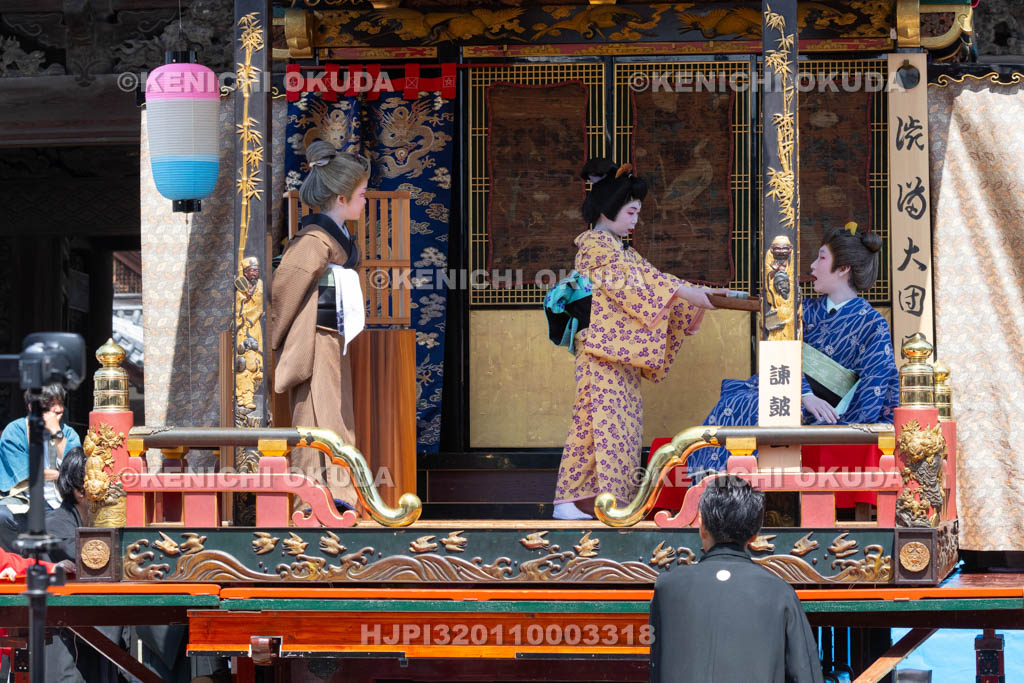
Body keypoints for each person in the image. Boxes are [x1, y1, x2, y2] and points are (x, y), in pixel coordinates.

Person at [552, 158, 720, 520]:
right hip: (600, 349)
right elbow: (637, 287)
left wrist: (701, 294)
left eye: (637, 213)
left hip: (617, 354)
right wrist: (685, 293)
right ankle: (576, 501)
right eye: (631, 211)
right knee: (596, 422)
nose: (635, 220)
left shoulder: (622, 251)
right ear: (609, 208)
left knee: (612, 425)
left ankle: (594, 500)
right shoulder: (595, 246)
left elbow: (657, 279)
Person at [688, 225, 899, 493]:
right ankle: (710, 491)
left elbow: (877, 384)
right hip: (794, 395)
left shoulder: (872, 323)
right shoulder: (804, 311)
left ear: (844, 268)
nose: (812, 265)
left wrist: (847, 417)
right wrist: (804, 393)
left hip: (831, 410)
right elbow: (778, 350)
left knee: (757, 408)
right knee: (737, 402)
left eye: (821, 258)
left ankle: (726, 494)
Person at [271, 140, 370, 511]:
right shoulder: (313, 240)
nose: (364, 200)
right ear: (341, 198)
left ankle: (326, 497)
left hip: (332, 335)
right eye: (361, 194)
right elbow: (285, 288)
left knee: (332, 413)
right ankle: (322, 499)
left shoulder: (335, 237)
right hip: (315, 335)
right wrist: (275, 340)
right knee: (319, 414)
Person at [648, 476, 824, 683]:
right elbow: (804, 673)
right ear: (755, 533)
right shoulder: (778, 591)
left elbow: (658, 665)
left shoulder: (667, 588)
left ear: (701, 524)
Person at [0, 385, 82, 550]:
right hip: (23, 501)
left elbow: (73, 474)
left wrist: (56, 433)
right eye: (50, 406)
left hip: (60, 502)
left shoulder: (69, 434)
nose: (57, 409)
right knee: (2, 517)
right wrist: (60, 473)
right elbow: (30, 474)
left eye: (59, 404)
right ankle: (18, 565)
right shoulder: (15, 431)